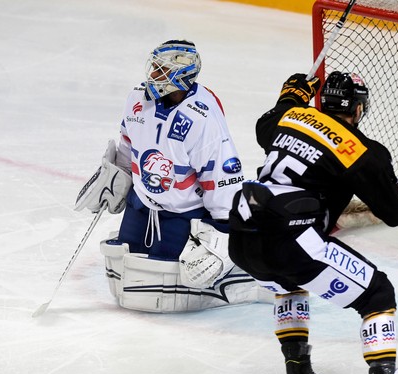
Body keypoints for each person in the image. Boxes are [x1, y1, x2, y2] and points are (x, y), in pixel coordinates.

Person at [228, 71, 398, 374]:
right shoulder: (359, 149)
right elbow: (396, 211)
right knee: (378, 295)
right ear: (358, 109)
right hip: (293, 243)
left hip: (243, 239)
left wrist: (292, 96)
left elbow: (266, 128)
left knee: (290, 284)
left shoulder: (290, 117)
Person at [74, 39, 270, 313]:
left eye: (160, 70)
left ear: (181, 76)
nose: (152, 75)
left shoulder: (202, 118)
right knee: (121, 269)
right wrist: (116, 176)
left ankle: (244, 275)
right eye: (153, 67)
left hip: (185, 214)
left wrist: (224, 236)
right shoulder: (136, 101)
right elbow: (128, 145)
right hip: (141, 202)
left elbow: (219, 176)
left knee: (169, 284)